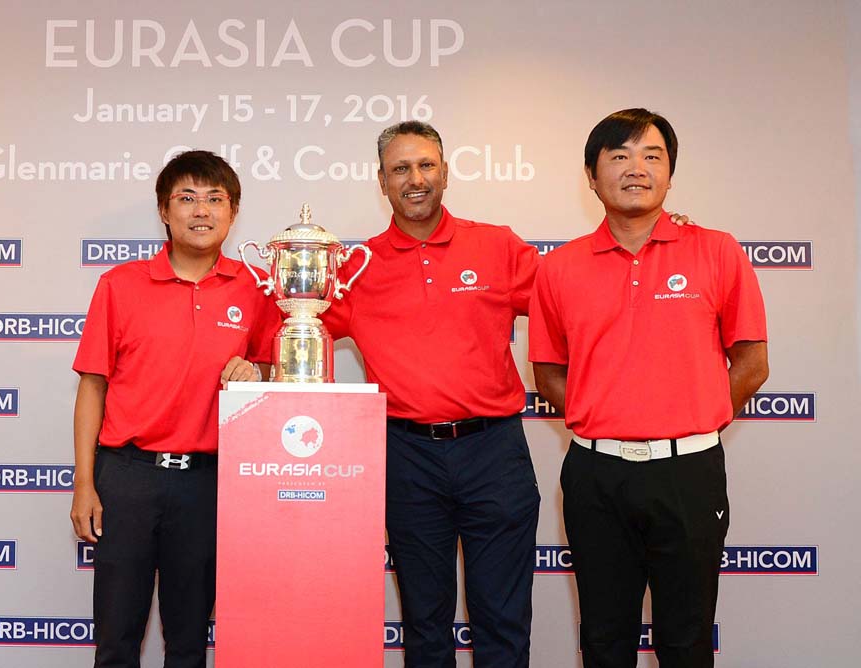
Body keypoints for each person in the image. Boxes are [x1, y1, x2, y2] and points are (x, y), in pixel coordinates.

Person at [529, 108, 769, 668]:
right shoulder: (559, 268)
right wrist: (607, 419)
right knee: (605, 640)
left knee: (685, 641)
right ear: (591, 175)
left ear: (670, 174)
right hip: (597, 476)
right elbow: (548, 374)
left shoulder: (717, 251)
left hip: (688, 473)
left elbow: (752, 362)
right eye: (618, 156)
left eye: (651, 156)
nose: (635, 168)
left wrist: (697, 417)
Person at [322, 121, 541, 667]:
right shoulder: (357, 267)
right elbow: (301, 330)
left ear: (445, 172)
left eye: (425, 166)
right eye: (400, 169)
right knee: (425, 622)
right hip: (406, 455)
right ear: (381, 182)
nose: (414, 179)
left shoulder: (498, 245)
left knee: (503, 619)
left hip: (495, 451)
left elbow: (575, 299)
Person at [70, 150, 281, 668]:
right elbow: (92, 387)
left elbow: (276, 373)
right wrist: (84, 483)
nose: (201, 211)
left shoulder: (256, 288)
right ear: (164, 211)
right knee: (116, 640)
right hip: (128, 477)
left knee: (188, 642)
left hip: (208, 483)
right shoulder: (120, 285)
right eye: (187, 199)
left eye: (215, 199)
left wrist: (259, 372)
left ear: (234, 212)